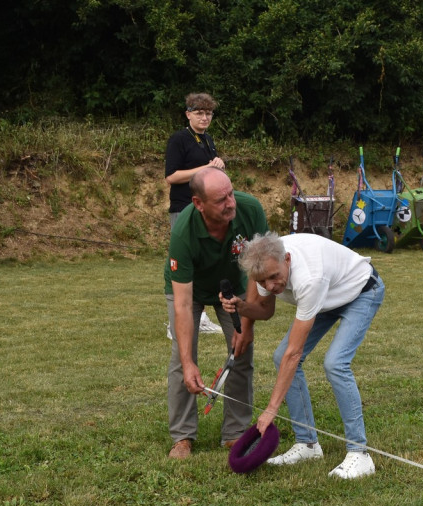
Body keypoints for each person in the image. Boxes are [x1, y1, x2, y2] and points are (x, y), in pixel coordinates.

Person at [222, 232, 385, 479]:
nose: (270, 286)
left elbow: (294, 353)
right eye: (262, 281)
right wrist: (242, 306)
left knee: (335, 363)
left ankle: (360, 454)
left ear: (287, 259)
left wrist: (271, 409)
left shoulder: (309, 278)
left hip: (361, 290)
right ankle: (308, 444)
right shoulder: (264, 267)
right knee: (280, 357)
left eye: (274, 278)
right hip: (327, 298)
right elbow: (265, 312)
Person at [164, 167, 267, 459]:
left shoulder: (250, 210)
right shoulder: (183, 230)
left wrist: (245, 325)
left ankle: (235, 433)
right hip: (191, 289)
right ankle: (182, 436)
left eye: (231, 194)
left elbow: (258, 274)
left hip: (234, 286)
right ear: (199, 204)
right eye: (221, 200)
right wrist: (188, 363)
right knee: (181, 358)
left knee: (241, 351)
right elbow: (183, 304)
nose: (231, 203)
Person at [164, 92, 225, 230]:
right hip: (184, 209)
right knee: (183, 251)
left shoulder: (208, 139)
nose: (204, 118)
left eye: (209, 114)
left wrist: (219, 166)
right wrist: (207, 168)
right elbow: (171, 177)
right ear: (188, 114)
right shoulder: (178, 139)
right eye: (199, 113)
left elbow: (209, 169)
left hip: (207, 208)